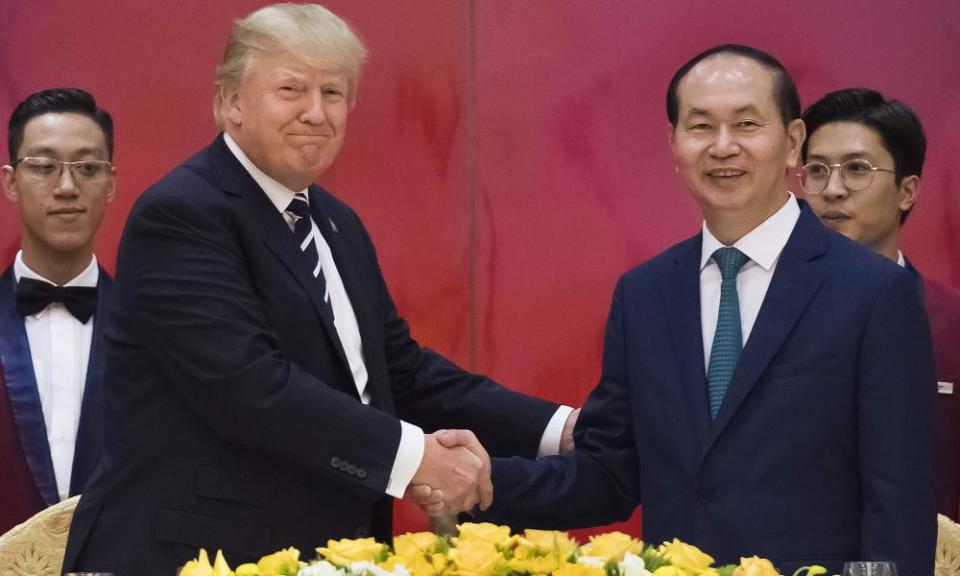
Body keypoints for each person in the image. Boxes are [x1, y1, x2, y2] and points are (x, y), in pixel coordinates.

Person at [61, 4, 574, 574]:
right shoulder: (182, 214)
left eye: (333, 93)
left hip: (317, 552)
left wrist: (559, 428)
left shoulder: (337, 224)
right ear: (230, 102)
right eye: (290, 89)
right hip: (192, 557)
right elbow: (251, 390)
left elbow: (399, 373)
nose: (315, 112)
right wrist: (416, 459)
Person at [457, 45, 936, 575]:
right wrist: (479, 478)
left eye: (747, 124)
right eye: (701, 127)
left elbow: (898, 498)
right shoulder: (644, 294)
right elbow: (610, 473)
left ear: (793, 143)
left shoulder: (872, 291)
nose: (723, 147)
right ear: (674, 143)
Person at [801, 87, 960, 520]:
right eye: (816, 170)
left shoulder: (951, 324)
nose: (832, 190)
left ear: (907, 191)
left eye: (856, 169)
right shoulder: (757, 314)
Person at [0, 88, 116, 535]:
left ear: (111, 182)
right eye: (44, 167)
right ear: (11, 181)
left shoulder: (153, 329)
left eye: (87, 168)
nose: (67, 187)